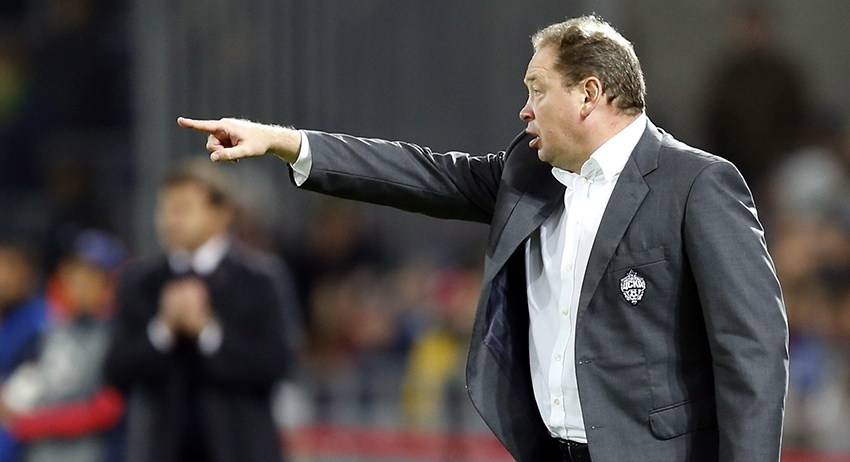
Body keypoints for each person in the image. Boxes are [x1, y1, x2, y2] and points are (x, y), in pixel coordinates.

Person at [178, 15, 788, 462]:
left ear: (589, 93)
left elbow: (753, 349)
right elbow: (420, 173)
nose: (524, 109)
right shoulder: (529, 173)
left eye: (537, 89)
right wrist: (283, 141)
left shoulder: (697, 183)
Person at [103, 159, 301, 462]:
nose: (171, 220)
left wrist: (208, 331)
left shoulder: (259, 279)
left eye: (183, 209)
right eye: (165, 209)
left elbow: (278, 364)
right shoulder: (141, 282)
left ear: (222, 214)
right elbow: (116, 371)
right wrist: (162, 330)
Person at [0, 229, 126, 462]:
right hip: (39, 454)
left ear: (108, 281)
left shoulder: (117, 334)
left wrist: (30, 424)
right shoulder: (46, 330)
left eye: (89, 274)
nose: (78, 282)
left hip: (90, 454)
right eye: (72, 271)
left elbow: (107, 409)